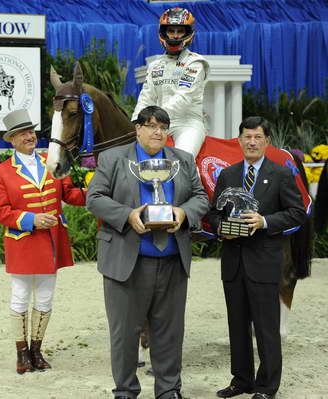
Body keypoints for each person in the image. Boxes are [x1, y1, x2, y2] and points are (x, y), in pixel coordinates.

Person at [86, 105, 209, 399]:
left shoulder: (183, 160)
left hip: (171, 261)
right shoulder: (114, 159)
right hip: (127, 262)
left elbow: (201, 197)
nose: (158, 132)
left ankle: (168, 390)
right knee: (125, 334)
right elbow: (95, 198)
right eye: (151, 125)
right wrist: (127, 215)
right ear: (137, 129)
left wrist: (183, 212)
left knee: (170, 332)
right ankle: (125, 390)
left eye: (163, 127)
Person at [208, 116, 307, 399]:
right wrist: (220, 228)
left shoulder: (281, 174)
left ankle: (266, 386)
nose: (252, 142)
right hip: (233, 262)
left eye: (257, 137)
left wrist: (264, 221)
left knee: (266, 329)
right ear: (239, 141)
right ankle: (241, 381)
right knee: (237, 326)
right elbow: (214, 213)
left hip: (264, 261)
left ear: (266, 142)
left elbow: (297, 213)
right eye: (247, 137)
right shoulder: (227, 175)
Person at [0, 108, 86, 374]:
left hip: (52, 241)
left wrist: (97, 192)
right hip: (23, 243)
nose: (29, 136)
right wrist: (32, 220)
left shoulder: (51, 160)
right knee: (20, 297)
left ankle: (36, 350)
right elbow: (1, 212)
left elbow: (70, 194)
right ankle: (21, 353)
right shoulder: (0, 172)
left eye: (31, 131)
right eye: (22, 133)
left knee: (45, 299)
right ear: (12, 139)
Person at [131, 7, 209, 157]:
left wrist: (155, 118)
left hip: (187, 124)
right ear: (163, 33)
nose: (175, 36)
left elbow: (184, 97)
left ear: (189, 34)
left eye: (180, 31)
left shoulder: (195, 62)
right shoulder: (155, 65)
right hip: (155, 124)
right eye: (171, 31)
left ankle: (193, 178)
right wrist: (136, 122)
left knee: (183, 160)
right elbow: (146, 97)